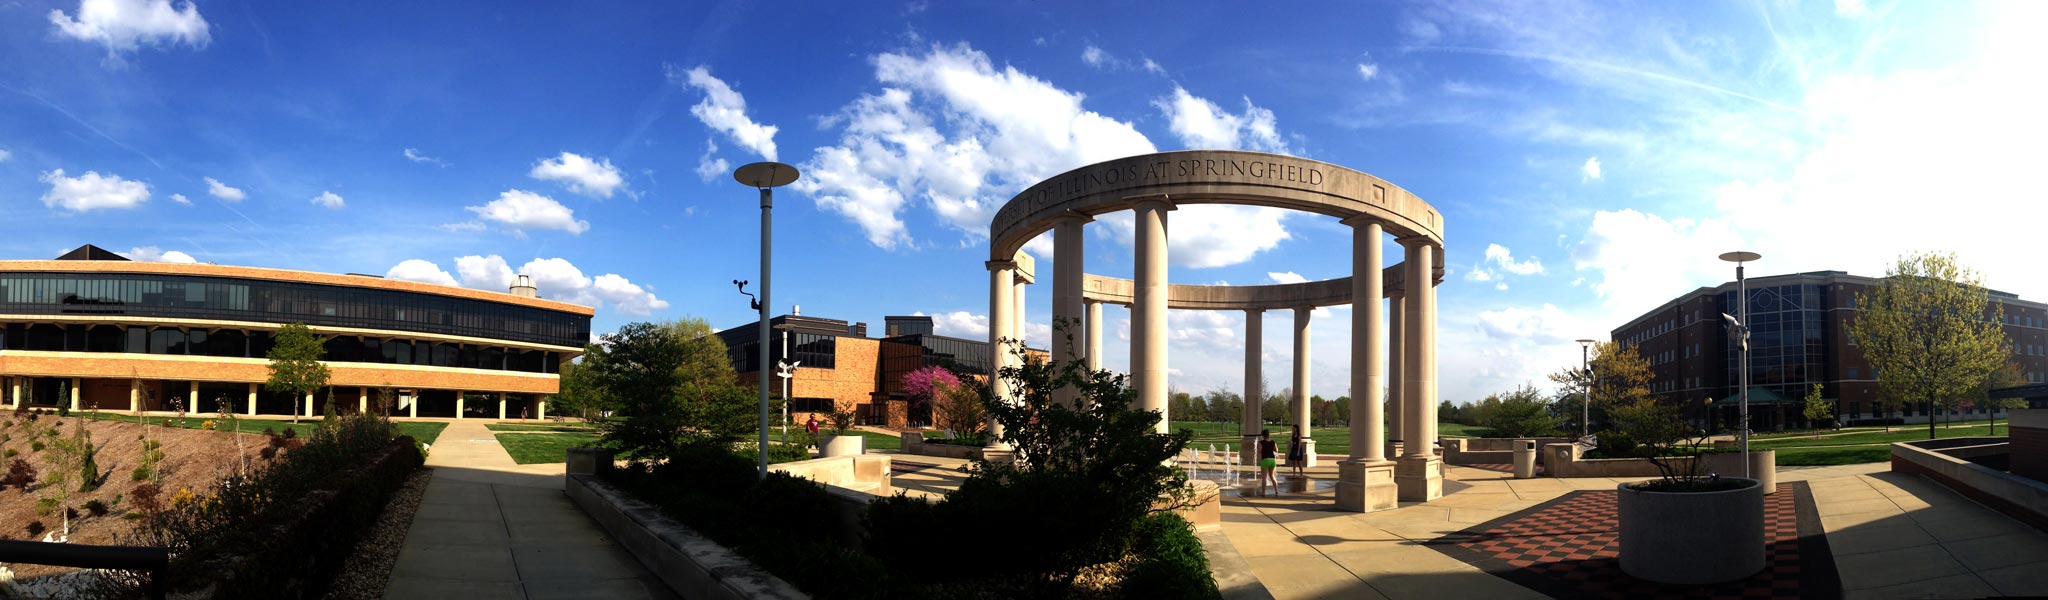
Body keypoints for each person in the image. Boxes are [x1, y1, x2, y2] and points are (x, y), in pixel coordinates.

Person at [1256, 429, 1279, 495]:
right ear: (1269, 435)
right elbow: (1276, 450)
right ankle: (1276, 490)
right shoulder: (1273, 442)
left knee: (1264, 478)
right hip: (1272, 460)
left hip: (1265, 460)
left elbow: (1259, 451)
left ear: (1263, 435)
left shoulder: (1261, 443)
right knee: (1272, 476)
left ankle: (1263, 492)